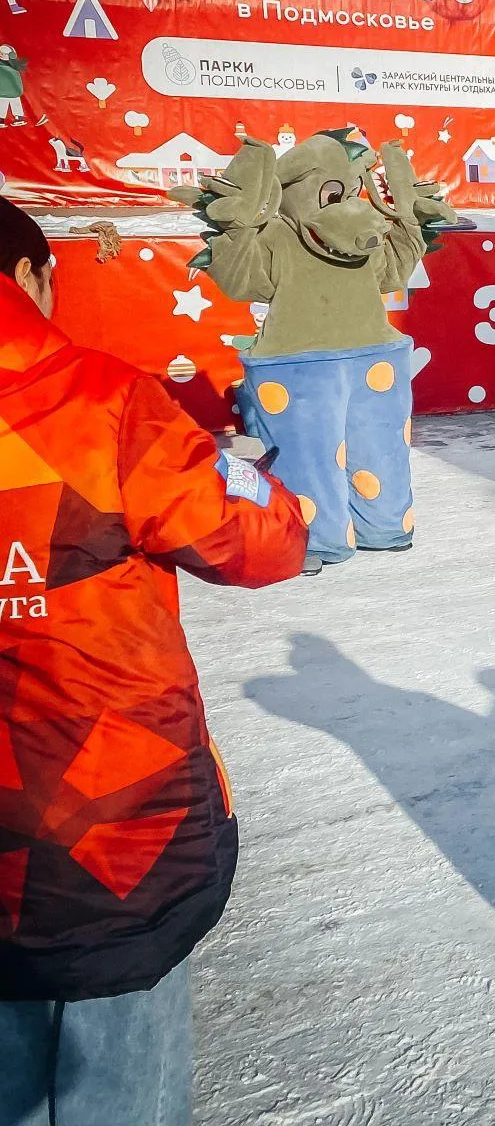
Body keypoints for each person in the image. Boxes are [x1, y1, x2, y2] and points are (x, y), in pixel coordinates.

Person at [0, 199, 309, 1125]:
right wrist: (261, 483)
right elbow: (255, 543)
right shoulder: (98, 398)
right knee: (122, 1082)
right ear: (28, 280)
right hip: (110, 824)